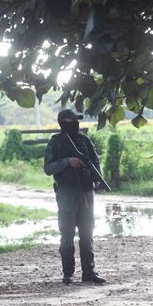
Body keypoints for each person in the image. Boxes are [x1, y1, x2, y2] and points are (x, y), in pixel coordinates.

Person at [44, 109, 105, 285]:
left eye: (76, 121)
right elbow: (48, 169)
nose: (76, 124)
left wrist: (98, 179)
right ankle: (68, 273)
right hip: (66, 193)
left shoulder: (84, 140)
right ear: (63, 123)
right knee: (67, 234)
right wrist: (67, 162)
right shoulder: (55, 142)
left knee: (87, 232)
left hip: (86, 190)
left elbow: (95, 160)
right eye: (72, 121)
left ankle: (89, 272)